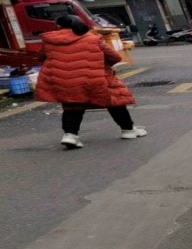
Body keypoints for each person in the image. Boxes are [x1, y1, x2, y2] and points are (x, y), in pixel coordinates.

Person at [34, 14, 146, 149]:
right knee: (115, 101)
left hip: (65, 81)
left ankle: (70, 136)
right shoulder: (93, 38)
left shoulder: (49, 40)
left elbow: (41, 57)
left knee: (72, 106)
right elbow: (114, 57)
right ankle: (128, 130)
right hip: (96, 78)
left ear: (59, 26)